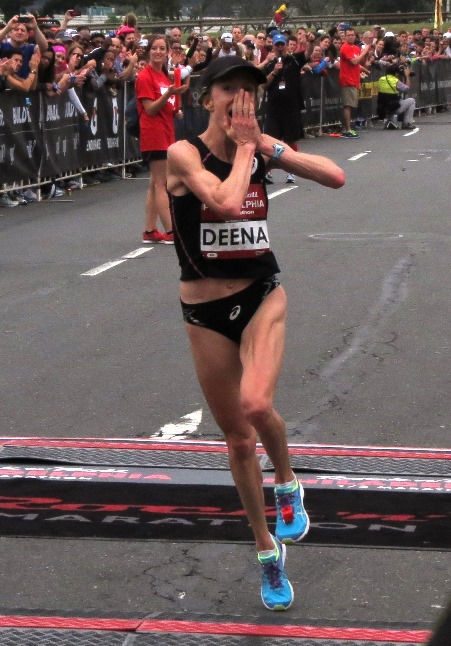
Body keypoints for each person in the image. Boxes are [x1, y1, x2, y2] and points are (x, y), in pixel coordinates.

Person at [166, 55, 345, 611]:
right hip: (204, 311)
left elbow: (336, 176)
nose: (240, 99)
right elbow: (219, 203)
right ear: (207, 98)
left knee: (256, 405)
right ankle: (267, 551)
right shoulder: (182, 154)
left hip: (261, 294)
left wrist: (269, 146)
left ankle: (288, 483)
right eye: (229, 89)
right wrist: (247, 150)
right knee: (239, 440)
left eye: (249, 90)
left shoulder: (259, 146)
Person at [136, 35, 188, 244]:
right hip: (153, 134)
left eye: (162, 48)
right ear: (149, 51)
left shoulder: (164, 76)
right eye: (155, 48)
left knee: (154, 184)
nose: (158, 52)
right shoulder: (145, 77)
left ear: (167, 52)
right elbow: (149, 109)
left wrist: (176, 111)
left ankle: (150, 230)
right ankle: (169, 230)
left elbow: (168, 104)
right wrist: (169, 95)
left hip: (166, 131)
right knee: (162, 183)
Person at [263, 33, 307, 184]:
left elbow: (308, 54)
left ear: (287, 45)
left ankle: (291, 171)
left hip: (291, 107)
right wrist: (275, 71)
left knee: (290, 140)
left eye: (283, 45)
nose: (280, 47)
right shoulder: (269, 64)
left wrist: (310, 41)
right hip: (274, 109)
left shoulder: (294, 60)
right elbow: (263, 85)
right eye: (278, 45)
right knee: (271, 142)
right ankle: (267, 171)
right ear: (273, 47)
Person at [339, 27, 374, 138]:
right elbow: (354, 61)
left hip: (354, 79)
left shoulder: (355, 48)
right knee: (348, 105)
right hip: (347, 79)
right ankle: (347, 129)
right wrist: (364, 52)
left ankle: (346, 128)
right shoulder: (345, 48)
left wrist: (366, 56)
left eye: (352, 35)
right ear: (344, 37)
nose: (351, 37)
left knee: (351, 105)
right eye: (348, 35)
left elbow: (360, 62)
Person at [377, 63, 416, 130]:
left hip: (382, 107)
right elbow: (407, 88)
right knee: (412, 101)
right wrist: (407, 76)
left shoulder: (381, 79)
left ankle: (390, 123)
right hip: (394, 107)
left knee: (390, 99)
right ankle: (407, 123)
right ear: (396, 73)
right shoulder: (395, 81)